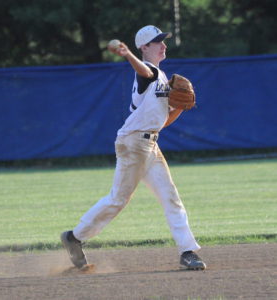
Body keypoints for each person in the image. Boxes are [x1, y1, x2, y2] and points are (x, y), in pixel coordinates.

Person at [61, 25, 206, 271]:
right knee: (118, 199)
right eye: (157, 41)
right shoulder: (147, 71)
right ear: (144, 47)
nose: (163, 45)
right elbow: (143, 71)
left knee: (171, 199)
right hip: (133, 143)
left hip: (150, 144)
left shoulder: (161, 77)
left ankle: (187, 252)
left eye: (163, 41)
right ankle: (74, 238)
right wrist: (128, 55)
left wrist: (179, 108)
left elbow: (161, 123)